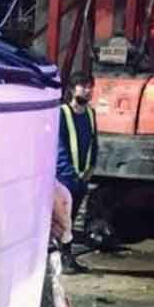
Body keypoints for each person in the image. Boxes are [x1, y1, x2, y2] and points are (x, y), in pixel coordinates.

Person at [56, 74, 99, 273]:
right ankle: (63, 258)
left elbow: (94, 143)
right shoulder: (62, 113)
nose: (88, 90)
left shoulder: (90, 114)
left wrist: (90, 169)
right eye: (84, 86)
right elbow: (59, 147)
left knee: (69, 220)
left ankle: (66, 257)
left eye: (90, 87)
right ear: (73, 89)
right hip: (65, 178)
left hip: (81, 178)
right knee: (63, 220)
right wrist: (70, 173)